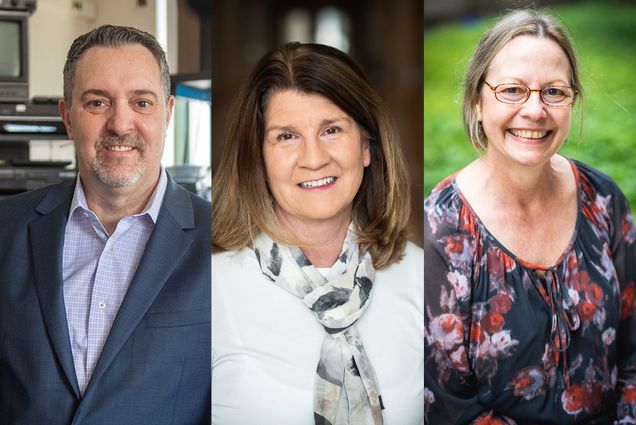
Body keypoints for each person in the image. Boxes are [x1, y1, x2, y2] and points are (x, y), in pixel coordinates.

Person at [424, 9, 636, 424]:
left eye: (554, 92)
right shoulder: (442, 231)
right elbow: (450, 406)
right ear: (477, 102)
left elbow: (632, 351)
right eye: (512, 90)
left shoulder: (604, 200)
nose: (535, 110)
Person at [0, 25, 210, 424]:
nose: (120, 124)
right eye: (97, 103)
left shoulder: (222, 242)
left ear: (167, 113)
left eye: (142, 103)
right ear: (67, 116)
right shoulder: (5, 230)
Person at [211, 42, 423, 424]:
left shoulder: (423, 276)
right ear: (258, 158)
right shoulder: (209, 286)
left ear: (366, 147)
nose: (313, 158)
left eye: (331, 129)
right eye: (286, 136)